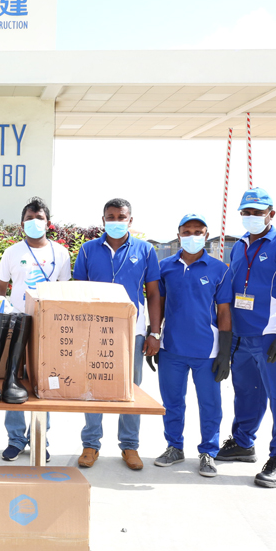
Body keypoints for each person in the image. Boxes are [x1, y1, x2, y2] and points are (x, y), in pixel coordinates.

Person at [216, 188, 276, 488]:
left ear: (271, 213)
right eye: (247, 212)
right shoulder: (239, 246)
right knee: (247, 394)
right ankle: (243, 443)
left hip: (271, 336)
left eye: (257, 211)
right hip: (242, 335)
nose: (251, 217)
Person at [73, 197, 162, 471]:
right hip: (94, 330)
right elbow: (79, 291)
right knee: (93, 386)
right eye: (110, 217)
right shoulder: (88, 251)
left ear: (130, 220)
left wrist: (154, 333)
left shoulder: (146, 251)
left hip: (132, 332)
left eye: (121, 217)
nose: (115, 221)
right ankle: (91, 444)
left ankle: (130, 446)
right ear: (103, 221)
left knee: (130, 389)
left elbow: (155, 293)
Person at [152, 214, 232, 477]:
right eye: (187, 231)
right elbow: (159, 306)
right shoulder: (165, 267)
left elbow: (223, 313)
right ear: (178, 235)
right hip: (171, 349)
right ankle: (174, 447)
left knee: (210, 404)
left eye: (199, 232)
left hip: (206, 352)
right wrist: (154, 337)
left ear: (206, 236)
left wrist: (224, 352)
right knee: (172, 402)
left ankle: (208, 452)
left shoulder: (219, 269)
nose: (193, 236)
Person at [0, 197, 72, 462]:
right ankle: (15, 439)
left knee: (44, 384)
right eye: (29, 218)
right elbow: (1, 290)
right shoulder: (12, 252)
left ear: (48, 224)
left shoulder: (61, 253)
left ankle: (40, 439)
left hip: (47, 326)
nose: (34, 222)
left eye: (39, 218)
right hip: (16, 323)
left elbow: (64, 291)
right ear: (22, 224)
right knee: (13, 380)